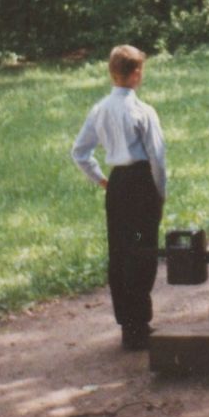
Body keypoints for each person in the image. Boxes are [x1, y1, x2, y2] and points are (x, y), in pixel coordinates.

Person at [71, 45, 166, 351]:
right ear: (136, 73)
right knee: (142, 247)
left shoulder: (99, 109)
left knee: (121, 250)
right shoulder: (143, 111)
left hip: (118, 186)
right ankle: (140, 323)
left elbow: (80, 152)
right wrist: (159, 194)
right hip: (140, 184)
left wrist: (101, 179)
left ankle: (128, 323)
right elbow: (157, 158)